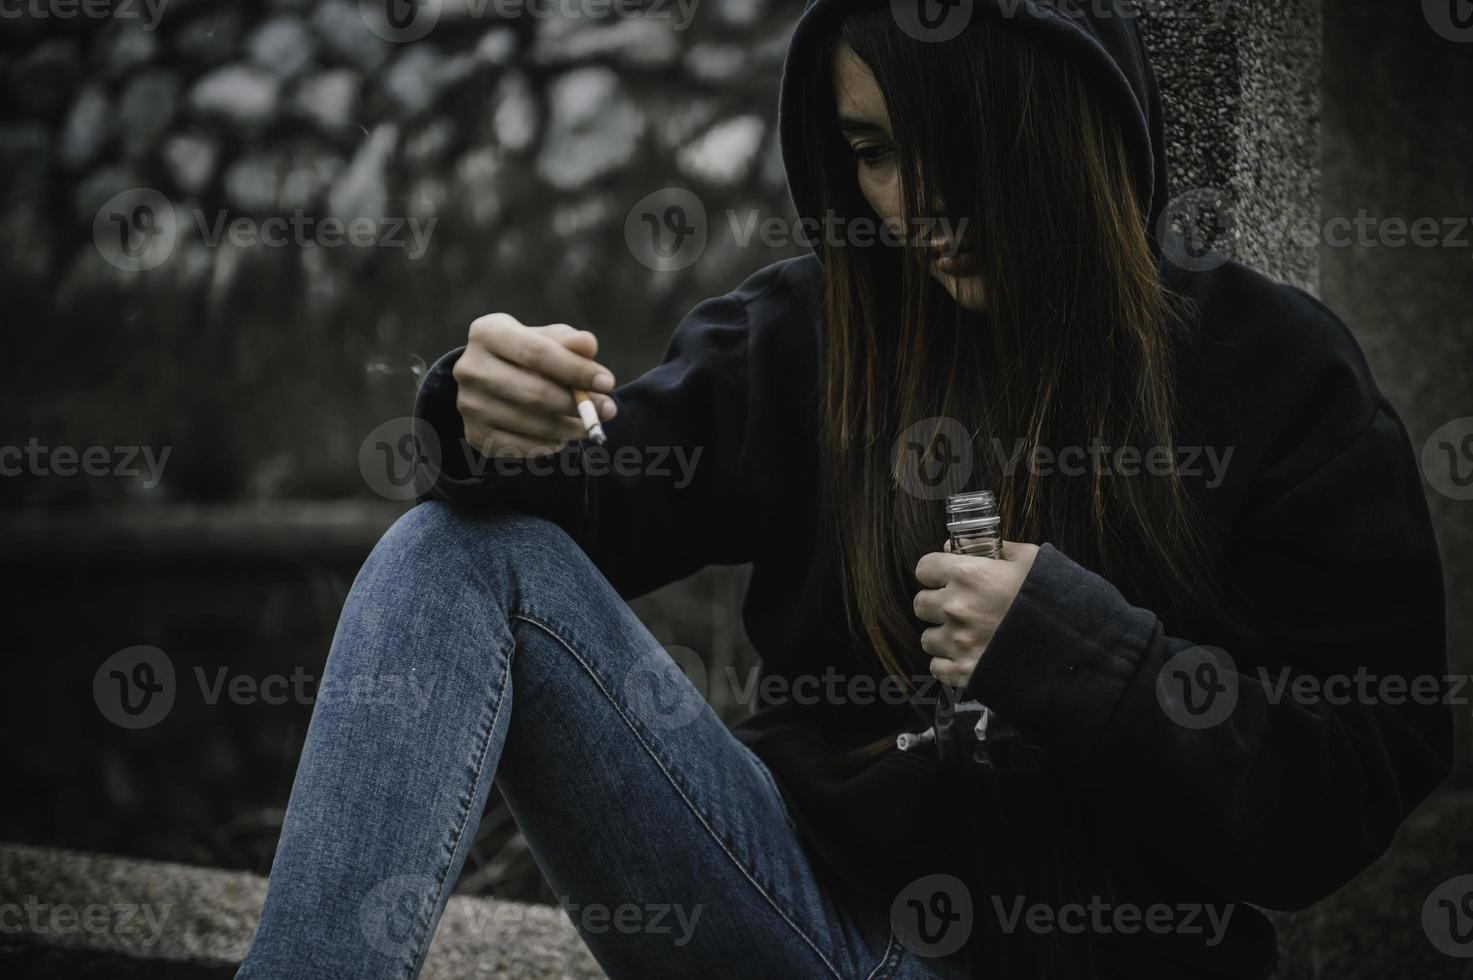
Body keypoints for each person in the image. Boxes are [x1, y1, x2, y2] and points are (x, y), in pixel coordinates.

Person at [237, 1, 1453, 977]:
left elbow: (1353, 778)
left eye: (951, 139)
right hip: (790, 914)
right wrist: (482, 415)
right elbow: (596, 484)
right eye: (872, 150)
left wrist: (1096, 660)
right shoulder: (810, 330)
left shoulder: (1272, 371)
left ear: (1055, 114)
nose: (913, 202)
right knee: (450, 550)